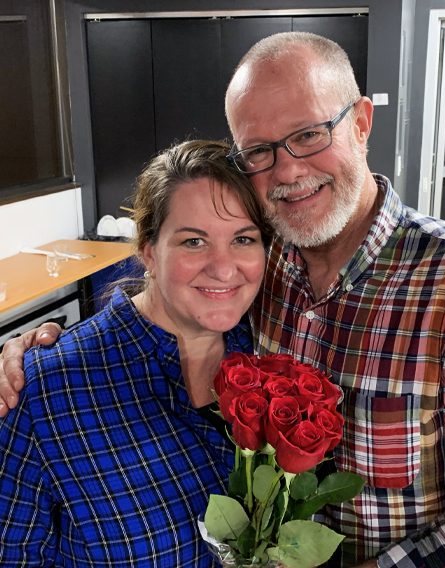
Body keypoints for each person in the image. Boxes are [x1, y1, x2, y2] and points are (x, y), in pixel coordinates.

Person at [0, 32, 445, 568]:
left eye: (310, 134)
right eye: (259, 150)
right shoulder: (263, 277)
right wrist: (42, 352)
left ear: (361, 123)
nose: (288, 170)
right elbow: (168, 302)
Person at [0, 139, 272, 565]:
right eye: (193, 242)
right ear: (148, 250)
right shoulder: (44, 395)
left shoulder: (271, 356)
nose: (223, 267)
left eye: (243, 238)